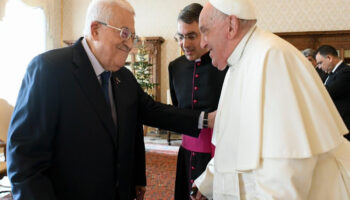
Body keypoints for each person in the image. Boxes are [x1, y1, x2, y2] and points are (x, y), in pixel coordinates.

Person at [6, 0, 212, 200]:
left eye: (133, 36)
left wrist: (207, 119)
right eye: (124, 33)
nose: (130, 44)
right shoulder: (49, 69)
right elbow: (24, 162)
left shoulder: (123, 76)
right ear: (95, 30)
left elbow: (155, 112)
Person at [191, 0, 350, 199]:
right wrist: (207, 184)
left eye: (205, 31)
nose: (203, 42)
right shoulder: (238, 63)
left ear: (231, 26)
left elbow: (288, 168)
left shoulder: (273, 58)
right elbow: (231, 145)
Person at [169, 3, 227, 200]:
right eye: (180, 36)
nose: (185, 43)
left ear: (205, 33)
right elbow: (178, 112)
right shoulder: (174, 67)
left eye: (191, 35)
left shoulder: (224, 64)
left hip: (218, 156)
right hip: (186, 154)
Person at [316, 45, 350, 141]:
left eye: (320, 63)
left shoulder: (346, 72)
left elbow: (327, 92)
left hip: (345, 125)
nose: (319, 67)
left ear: (329, 58)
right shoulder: (329, 74)